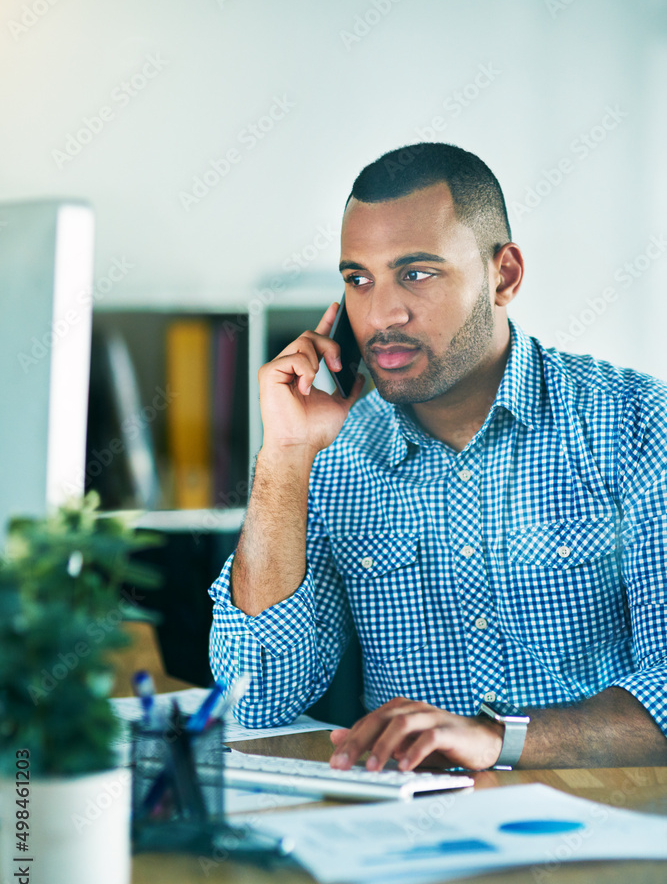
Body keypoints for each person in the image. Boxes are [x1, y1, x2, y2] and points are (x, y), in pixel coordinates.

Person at [209, 142, 667, 771]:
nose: (382, 315)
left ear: (503, 276)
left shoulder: (634, 424)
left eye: (417, 273)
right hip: (410, 836)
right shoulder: (335, 455)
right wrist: (285, 456)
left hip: (601, 832)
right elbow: (254, 697)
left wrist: (495, 738)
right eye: (358, 280)